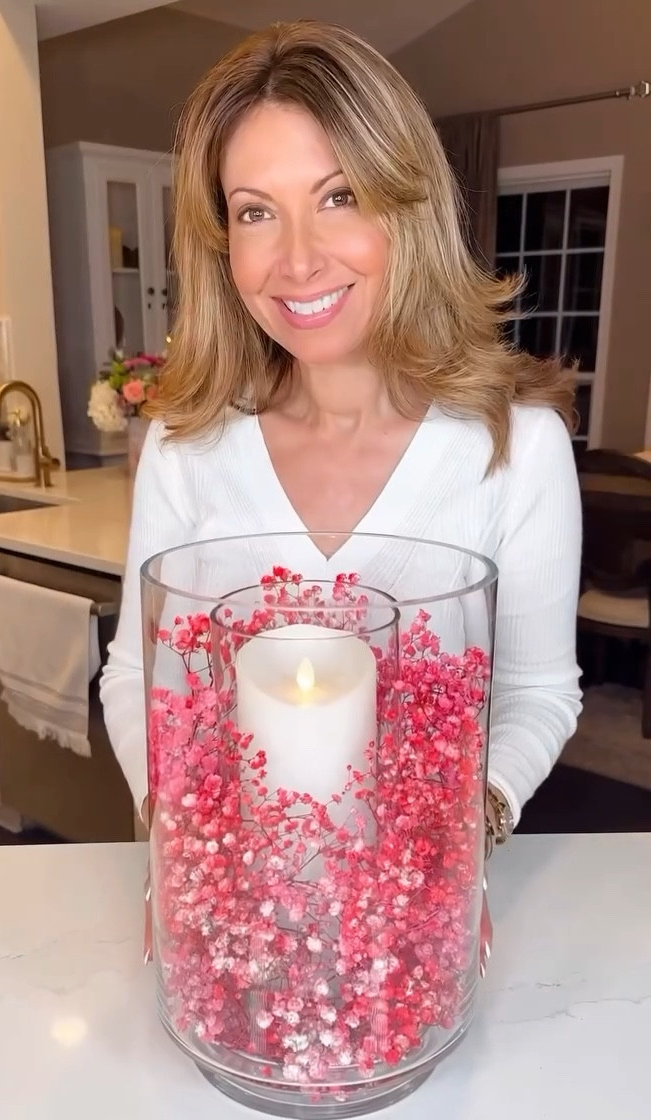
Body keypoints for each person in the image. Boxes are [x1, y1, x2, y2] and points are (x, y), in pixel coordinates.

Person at [100, 19, 582, 858]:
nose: (296, 259)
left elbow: (537, 693)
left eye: (338, 197)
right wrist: (184, 853)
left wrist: (456, 850)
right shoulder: (186, 447)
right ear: (223, 245)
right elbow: (139, 679)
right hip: (227, 925)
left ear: (408, 206)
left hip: (413, 933)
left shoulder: (516, 448)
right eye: (256, 212)